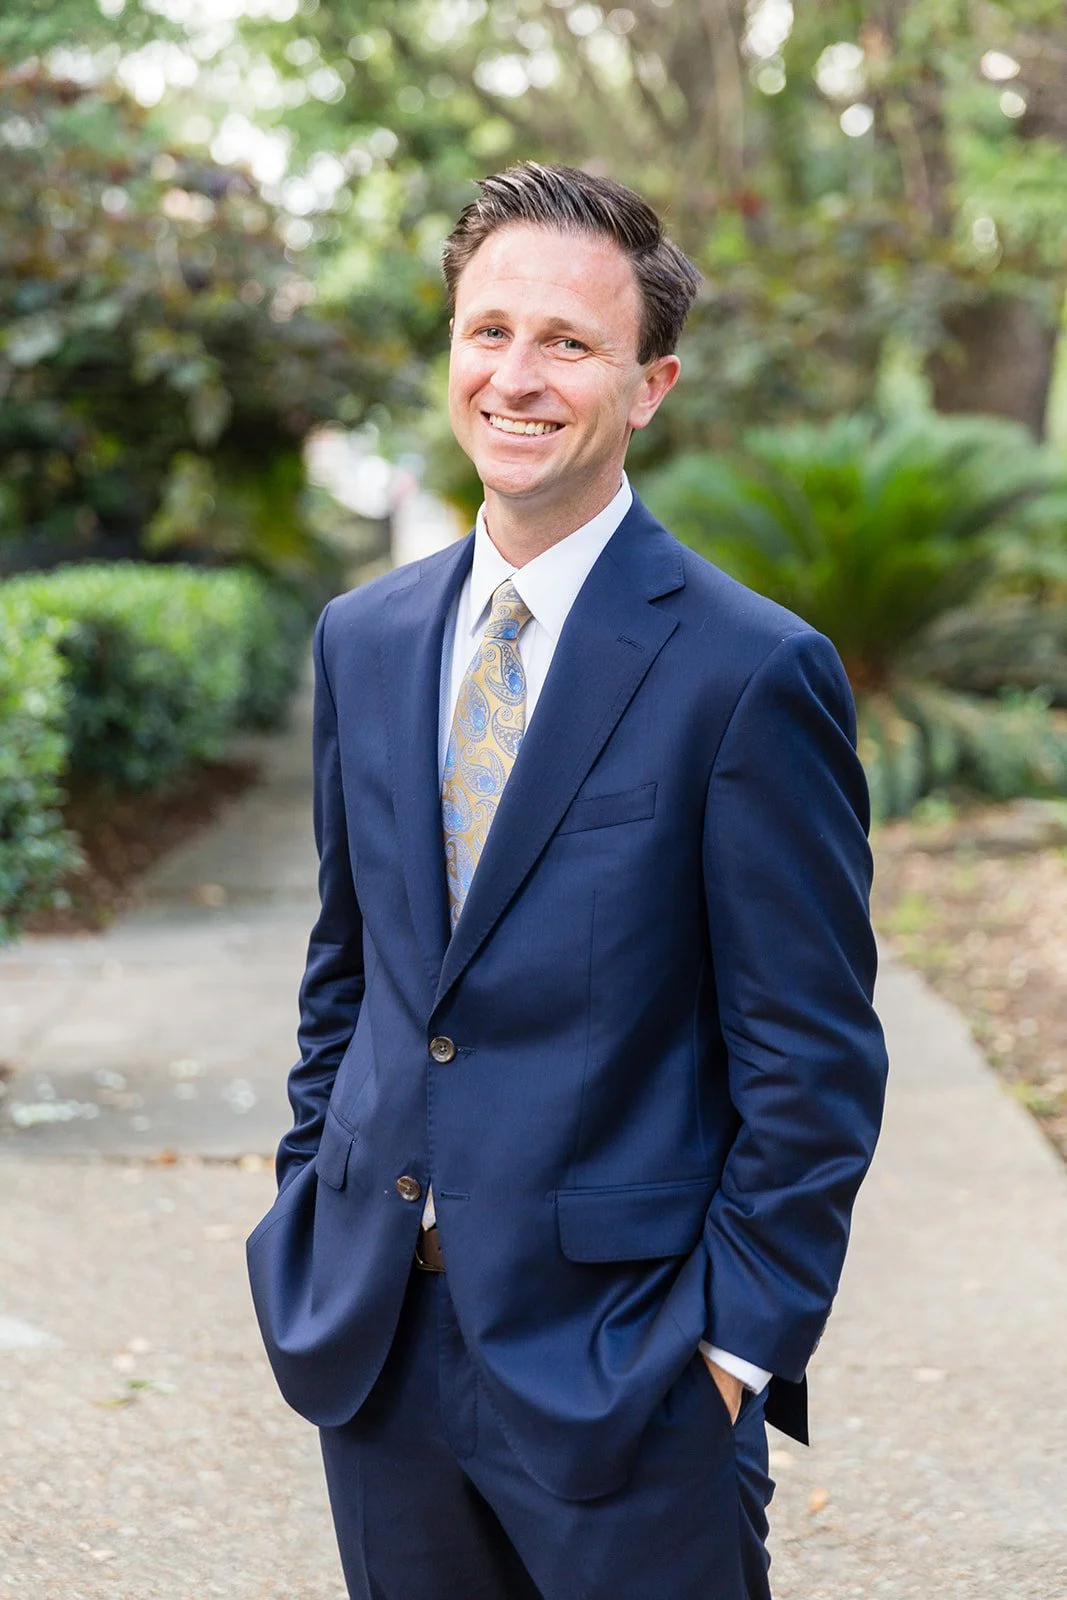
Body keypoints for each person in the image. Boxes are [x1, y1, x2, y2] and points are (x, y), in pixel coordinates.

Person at [248, 162, 888, 1600]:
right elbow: (350, 976)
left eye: (569, 344)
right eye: (489, 332)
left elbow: (811, 1057)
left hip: (629, 1372)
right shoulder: (364, 638)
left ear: (648, 386)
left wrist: (728, 1351)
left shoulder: (746, 671)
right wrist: (310, 1204)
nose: (516, 378)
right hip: (375, 1349)